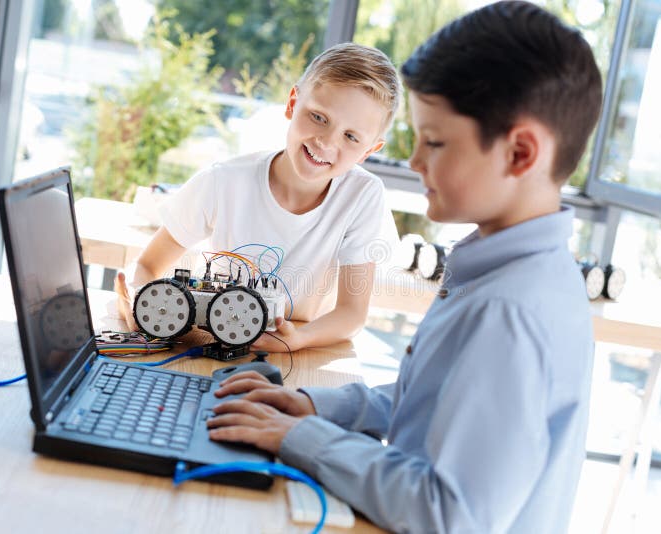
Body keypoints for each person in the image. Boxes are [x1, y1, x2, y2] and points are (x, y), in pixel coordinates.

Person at [205, 2, 603, 532]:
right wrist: (314, 407)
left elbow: (448, 513)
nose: (415, 162)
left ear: (520, 153)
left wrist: (296, 438)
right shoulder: (510, 271)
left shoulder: (510, 311)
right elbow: (438, 399)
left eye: (434, 142)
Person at [115, 42, 401, 352]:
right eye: (319, 117)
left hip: (296, 351)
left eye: (351, 136)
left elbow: (352, 314)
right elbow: (146, 265)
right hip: (213, 344)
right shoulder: (223, 180)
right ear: (292, 103)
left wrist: (298, 340)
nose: (326, 142)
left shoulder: (363, 196)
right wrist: (141, 304)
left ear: (369, 151)